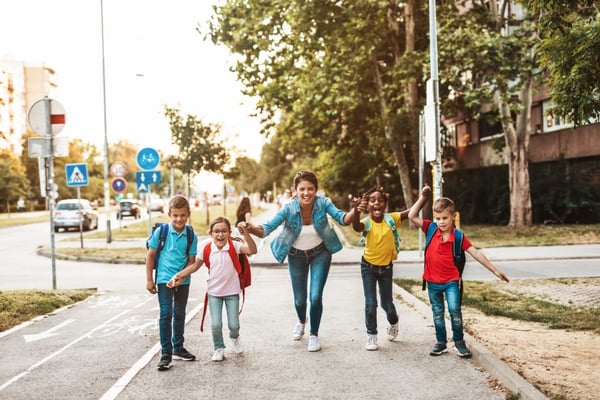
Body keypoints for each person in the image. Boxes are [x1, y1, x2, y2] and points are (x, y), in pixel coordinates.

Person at [247, 170, 357, 352]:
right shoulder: (288, 209)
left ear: (316, 190)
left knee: (315, 297)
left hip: (320, 253)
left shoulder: (324, 203)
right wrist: (250, 228)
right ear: (295, 190)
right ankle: (301, 321)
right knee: (299, 301)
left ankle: (314, 335)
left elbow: (343, 219)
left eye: (310, 189)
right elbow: (266, 229)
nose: (306, 193)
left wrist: (354, 210)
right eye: (302, 189)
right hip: (296, 255)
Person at [408, 185, 510, 358]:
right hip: (432, 282)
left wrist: (494, 270)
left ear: (453, 217)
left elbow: (476, 253)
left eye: (445, 218)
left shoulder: (458, 237)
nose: (441, 222)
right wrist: (423, 197)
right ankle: (441, 343)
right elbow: (411, 215)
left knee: (455, 310)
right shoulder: (431, 228)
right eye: (438, 218)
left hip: (451, 282)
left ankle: (459, 342)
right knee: (437, 312)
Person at [169, 217, 257, 362]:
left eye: (224, 231)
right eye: (216, 231)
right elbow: (194, 266)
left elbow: (252, 250)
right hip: (214, 293)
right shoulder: (206, 248)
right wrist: (179, 275)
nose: (220, 235)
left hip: (232, 292)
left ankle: (235, 338)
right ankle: (218, 348)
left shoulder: (235, 246)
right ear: (211, 233)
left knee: (234, 325)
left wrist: (246, 233)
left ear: (229, 232)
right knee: (216, 324)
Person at [351, 186, 409, 351]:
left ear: (385, 204)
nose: (377, 203)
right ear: (367, 204)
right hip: (367, 267)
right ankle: (372, 335)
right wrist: (355, 210)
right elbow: (356, 227)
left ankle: (393, 321)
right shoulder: (366, 222)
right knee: (371, 303)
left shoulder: (391, 219)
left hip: (386, 268)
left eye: (380, 200)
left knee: (387, 304)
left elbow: (409, 212)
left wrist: (424, 197)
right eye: (372, 200)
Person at [145, 195, 198, 371]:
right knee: (166, 313)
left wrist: (182, 276)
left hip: (183, 280)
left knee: (180, 313)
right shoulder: (161, 232)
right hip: (163, 279)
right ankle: (165, 353)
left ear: (188, 214)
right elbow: (151, 255)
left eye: (182, 215)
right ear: (169, 214)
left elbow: (191, 260)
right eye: (175, 215)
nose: (179, 219)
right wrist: (149, 279)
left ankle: (178, 348)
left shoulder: (191, 234)